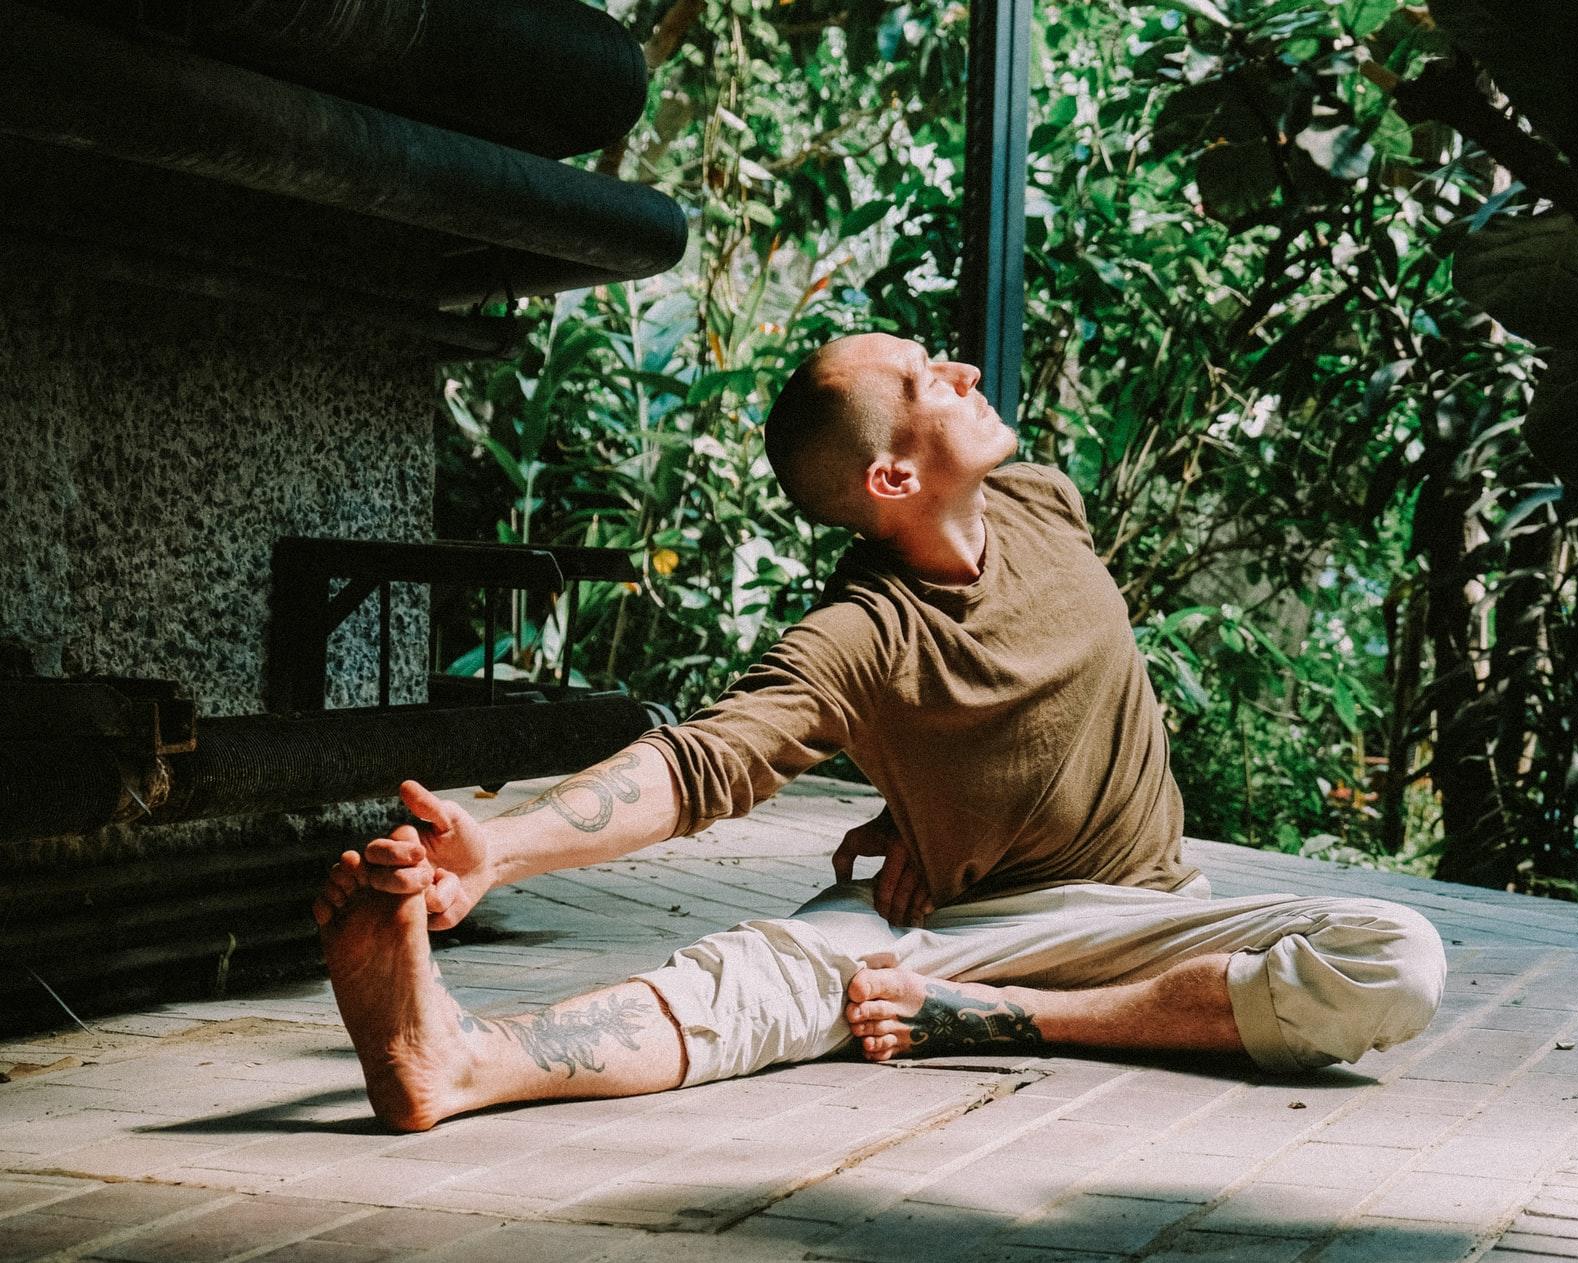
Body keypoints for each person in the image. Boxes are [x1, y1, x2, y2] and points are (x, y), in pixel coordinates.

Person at [312, 333, 1447, 1133]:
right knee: (765, 985)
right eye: (925, 378)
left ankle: (1017, 1025)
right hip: (958, 929)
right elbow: (705, 758)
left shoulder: (1045, 500)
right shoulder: (861, 635)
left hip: (1140, 919)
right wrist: (497, 844)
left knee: (1398, 954)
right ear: (894, 473)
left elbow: (1053, 704)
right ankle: (452, 1062)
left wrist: (916, 801)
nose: (959, 370)